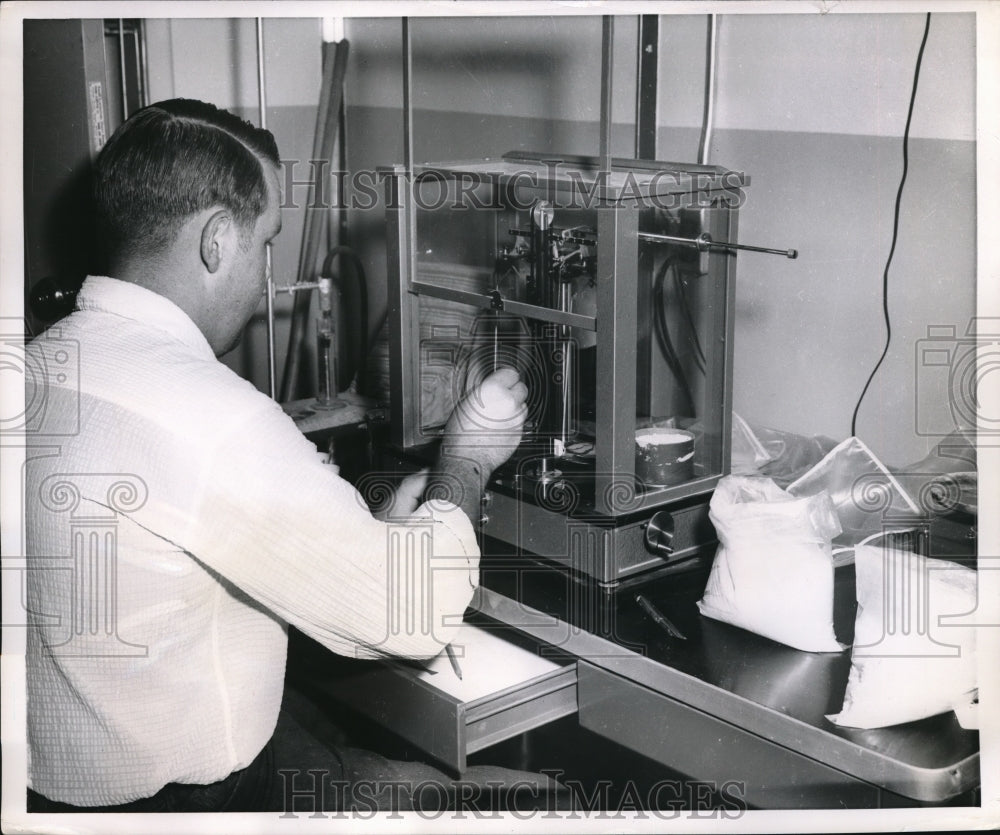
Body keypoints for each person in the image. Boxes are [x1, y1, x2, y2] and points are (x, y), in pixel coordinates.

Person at [24, 99, 558, 813]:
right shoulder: (215, 419)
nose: (268, 275)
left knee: (392, 770)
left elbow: (186, 538)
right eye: (267, 241)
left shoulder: (32, 367)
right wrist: (468, 455)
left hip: (54, 789)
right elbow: (413, 613)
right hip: (199, 803)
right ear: (217, 241)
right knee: (528, 799)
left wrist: (366, 523)